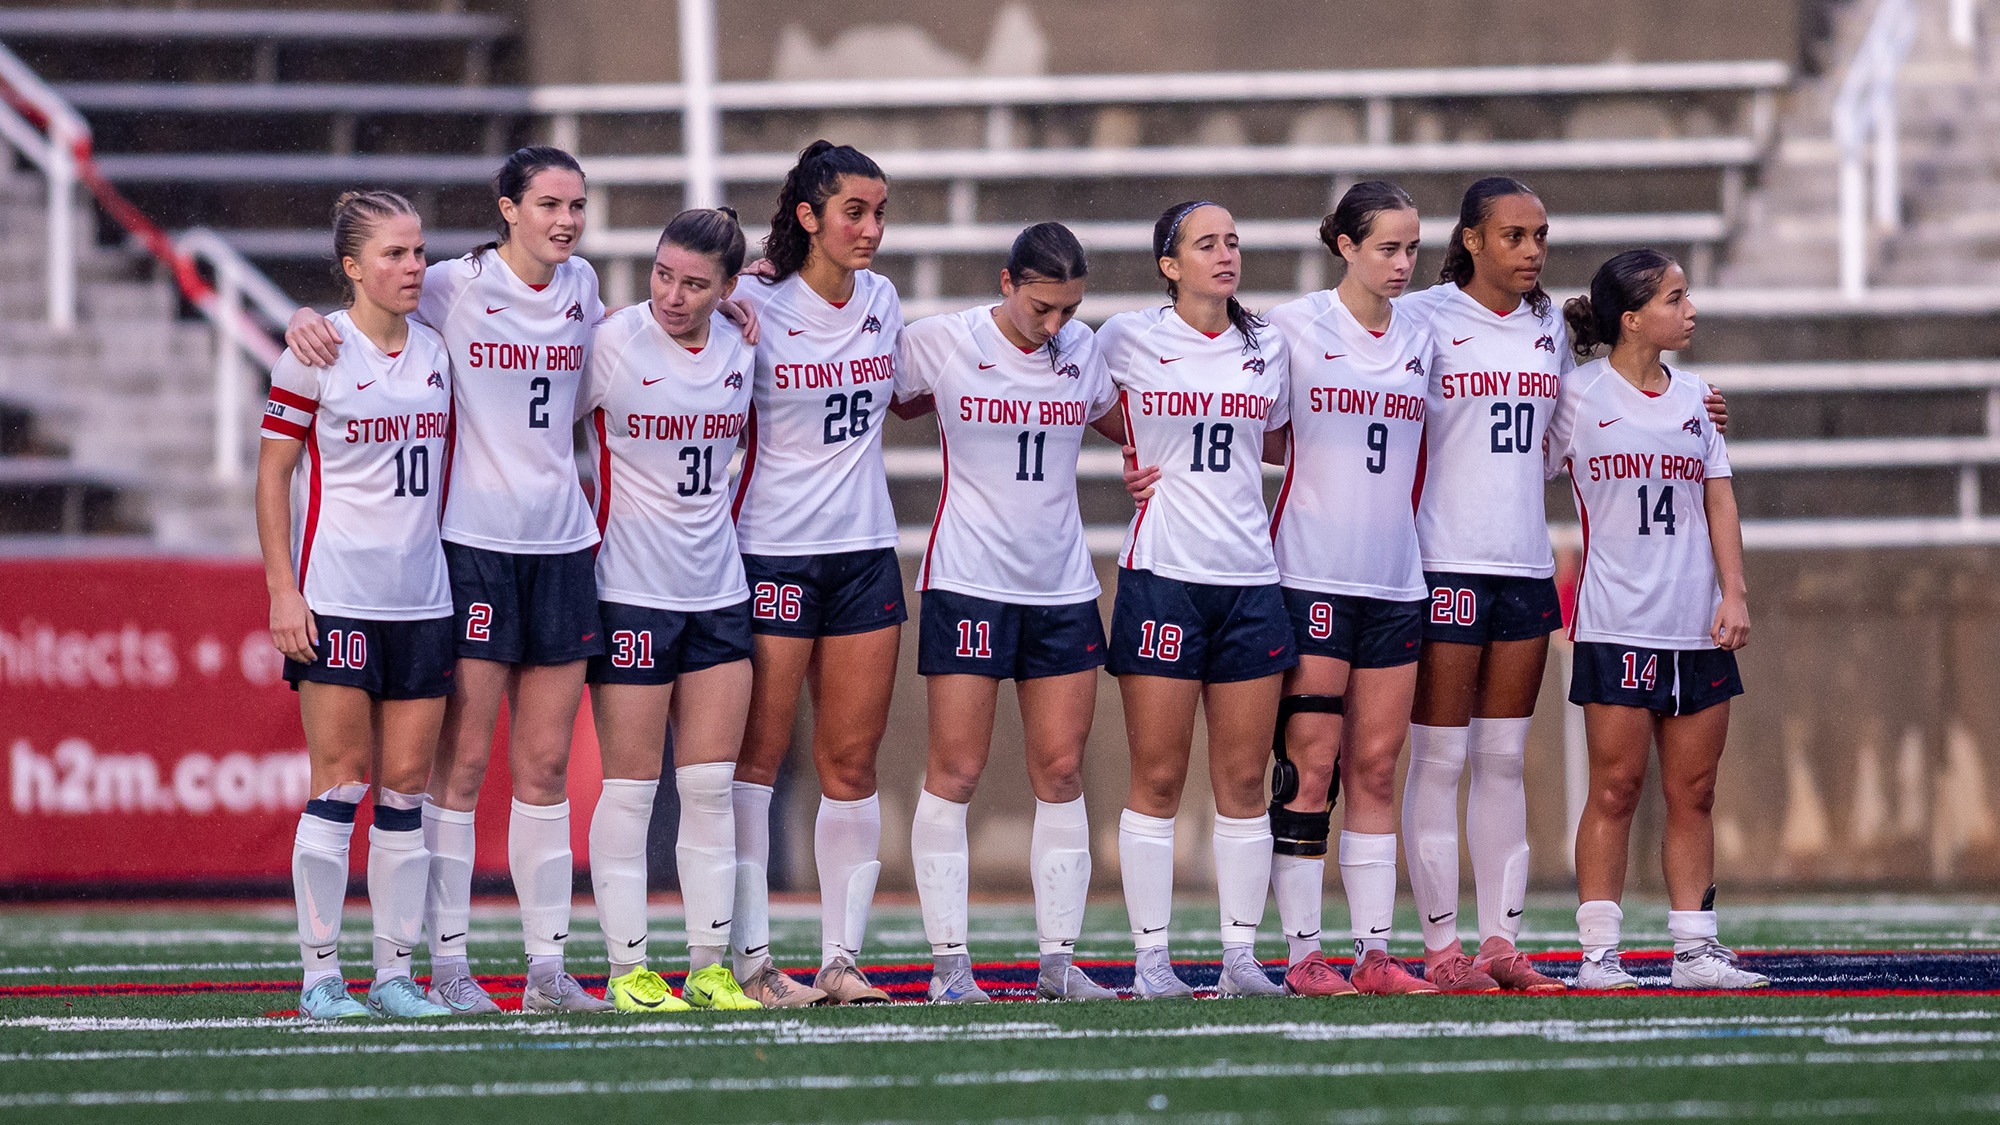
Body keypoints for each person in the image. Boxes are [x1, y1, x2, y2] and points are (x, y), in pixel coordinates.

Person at [286, 146, 612, 1013]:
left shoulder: (584, 289)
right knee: (451, 771)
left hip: (563, 547)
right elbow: (352, 314)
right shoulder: (449, 287)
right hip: (466, 549)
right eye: (550, 202)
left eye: (577, 204)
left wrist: (748, 295)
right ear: (508, 208)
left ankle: (546, 969)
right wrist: (299, 317)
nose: (567, 220)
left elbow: (644, 341)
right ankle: (444, 966)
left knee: (543, 764)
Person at [894, 222, 1123, 1004]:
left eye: (1069, 309)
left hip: (1061, 584)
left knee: (1061, 770)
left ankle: (1058, 960)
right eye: (1041, 308)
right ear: (1005, 282)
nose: (1056, 325)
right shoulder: (943, 341)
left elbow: (1134, 419)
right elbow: (865, 386)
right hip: (969, 579)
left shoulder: (1083, 350)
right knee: (955, 769)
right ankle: (950, 967)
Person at [258, 190, 455, 1020]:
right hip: (336, 597)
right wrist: (281, 590)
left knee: (406, 792)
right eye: (394, 255)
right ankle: (320, 975)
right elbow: (271, 477)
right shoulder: (313, 353)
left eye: (418, 252)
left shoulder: (440, 347)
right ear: (351, 268)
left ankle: (396, 975)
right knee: (340, 784)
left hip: (424, 599)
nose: (413, 267)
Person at [1550, 250, 1764, 990]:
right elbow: (1519, 466)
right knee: (1615, 789)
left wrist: (1733, 592)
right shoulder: (1576, 396)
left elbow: (1718, 499)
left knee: (1695, 791)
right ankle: (1599, 954)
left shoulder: (1699, 397)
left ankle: (1695, 949)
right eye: (1676, 298)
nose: (1691, 309)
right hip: (1616, 623)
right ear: (1633, 317)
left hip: (1694, 622)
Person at [1099, 200, 1293, 1000]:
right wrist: (1134, 450)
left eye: (1234, 241)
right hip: (1164, 576)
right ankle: (1151, 960)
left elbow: (1277, 437)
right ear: (1168, 264)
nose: (1226, 254)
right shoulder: (1127, 336)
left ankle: (1240, 955)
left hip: (1250, 576)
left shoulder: (1269, 343)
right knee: (1158, 775)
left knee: (1245, 778)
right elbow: (1058, 376)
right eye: (1206, 243)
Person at [726, 141, 904, 1006]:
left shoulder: (883, 299)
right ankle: (753, 962)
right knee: (757, 758)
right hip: (771, 549)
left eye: (878, 213)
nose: (870, 230)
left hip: (865, 549)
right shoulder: (752, 297)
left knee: (852, 758)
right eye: (853, 213)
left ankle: (842, 958)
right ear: (808, 216)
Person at [576, 207, 764, 1013]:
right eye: (663, 275)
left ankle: (710, 965)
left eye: (695, 283)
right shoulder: (612, 342)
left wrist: (743, 305)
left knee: (712, 787)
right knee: (630, 789)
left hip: (718, 591)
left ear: (728, 287)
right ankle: (627, 969)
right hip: (629, 592)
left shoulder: (742, 343)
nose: (674, 296)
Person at [1263, 182, 1439, 997]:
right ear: (1346, 246)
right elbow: (1238, 423)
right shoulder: (1293, 326)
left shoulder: (1424, 336)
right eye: (1387, 248)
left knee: (1377, 763)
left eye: (1412, 249)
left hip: (1396, 579)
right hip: (1310, 573)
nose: (1403, 265)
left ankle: (1374, 950)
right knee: (1312, 762)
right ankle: (1304, 953)